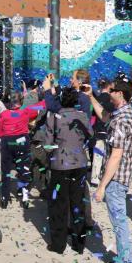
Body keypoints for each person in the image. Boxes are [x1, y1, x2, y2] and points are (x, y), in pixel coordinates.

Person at [93, 78, 132, 263]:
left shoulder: (121, 121)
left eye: (110, 90)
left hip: (116, 179)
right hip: (122, 176)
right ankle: (126, 260)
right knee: (119, 220)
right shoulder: (126, 113)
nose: (107, 92)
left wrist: (101, 186)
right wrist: (90, 97)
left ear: (120, 94)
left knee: (119, 222)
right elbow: (105, 117)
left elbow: (115, 155)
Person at [41, 87, 92, 254]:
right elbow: (89, 134)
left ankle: (58, 244)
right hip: (80, 164)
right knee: (78, 204)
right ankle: (79, 244)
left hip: (60, 164)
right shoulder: (82, 116)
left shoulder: (53, 117)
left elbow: (48, 145)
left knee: (58, 205)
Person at [0, 86, 46, 209]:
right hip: (22, 142)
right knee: (24, 170)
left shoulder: (4, 115)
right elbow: (43, 104)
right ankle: (24, 197)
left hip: (7, 142)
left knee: (6, 171)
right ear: (21, 101)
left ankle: (4, 197)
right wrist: (47, 89)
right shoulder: (26, 112)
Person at [89, 78, 116, 185]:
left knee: (98, 155)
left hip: (97, 129)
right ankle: (105, 175)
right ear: (109, 86)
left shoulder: (96, 99)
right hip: (108, 130)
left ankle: (94, 178)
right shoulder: (111, 100)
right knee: (108, 155)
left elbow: (92, 116)